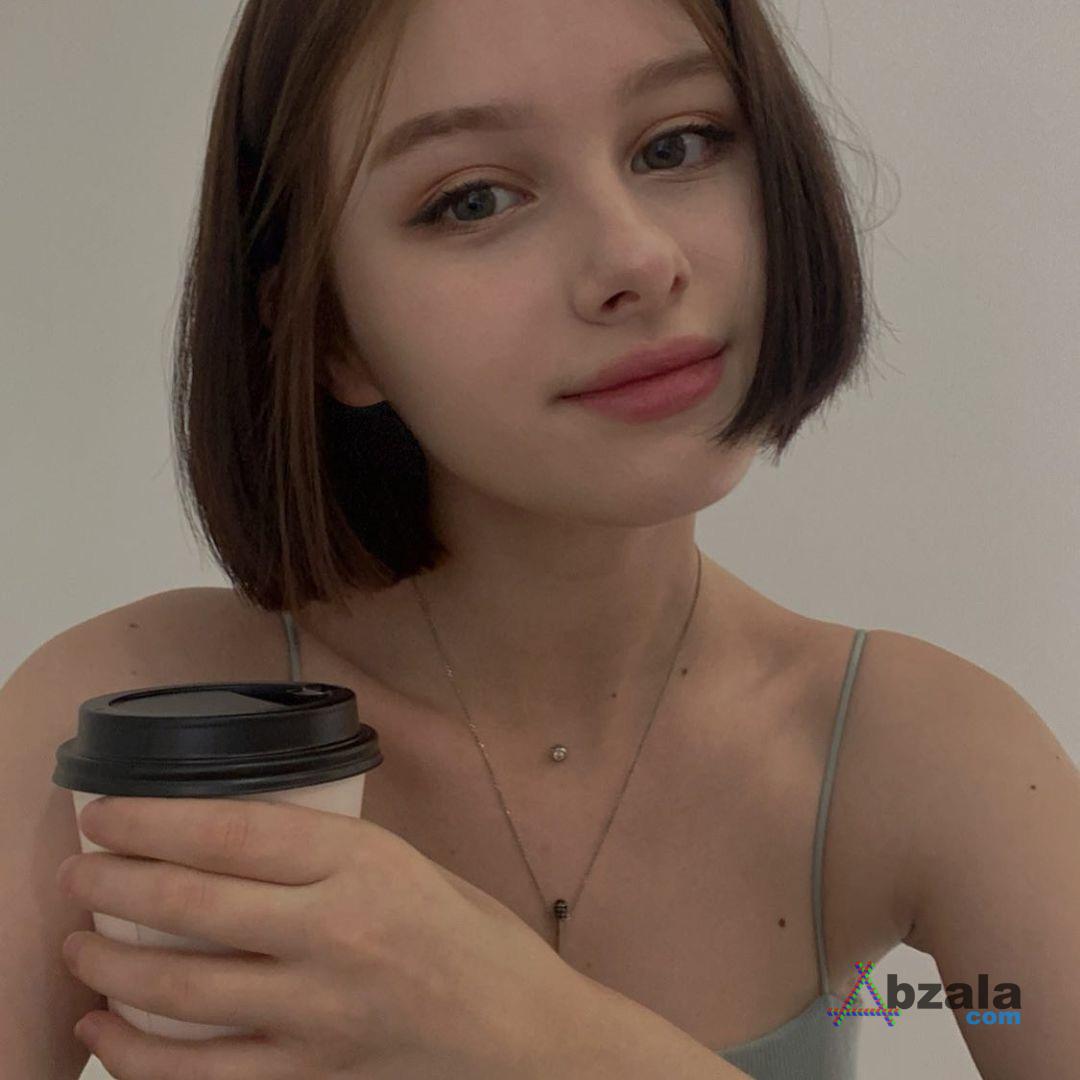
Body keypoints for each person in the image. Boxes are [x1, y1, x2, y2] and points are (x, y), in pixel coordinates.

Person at [3, 1, 1077, 1077]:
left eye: (679, 144)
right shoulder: (108, 747)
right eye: (472, 199)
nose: (638, 258)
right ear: (331, 331)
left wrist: (535, 1032)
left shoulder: (932, 760)